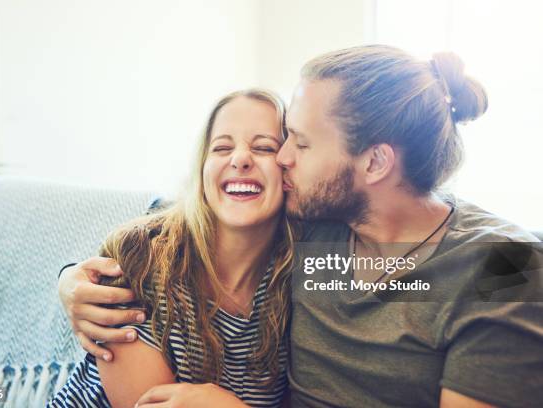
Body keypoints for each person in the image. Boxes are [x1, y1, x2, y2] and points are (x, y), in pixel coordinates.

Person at [59, 45, 543, 407]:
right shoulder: (317, 231)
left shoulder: (504, 267)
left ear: (374, 163)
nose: (282, 158)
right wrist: (71, 280)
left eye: (300, 143)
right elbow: (190, 216)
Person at [49, 89, 295, 408]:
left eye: (264, 147)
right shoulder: (140, 259)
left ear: (289, 169)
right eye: (221, 147)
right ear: (202, 170)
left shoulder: (298, 274)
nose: (240, 159)